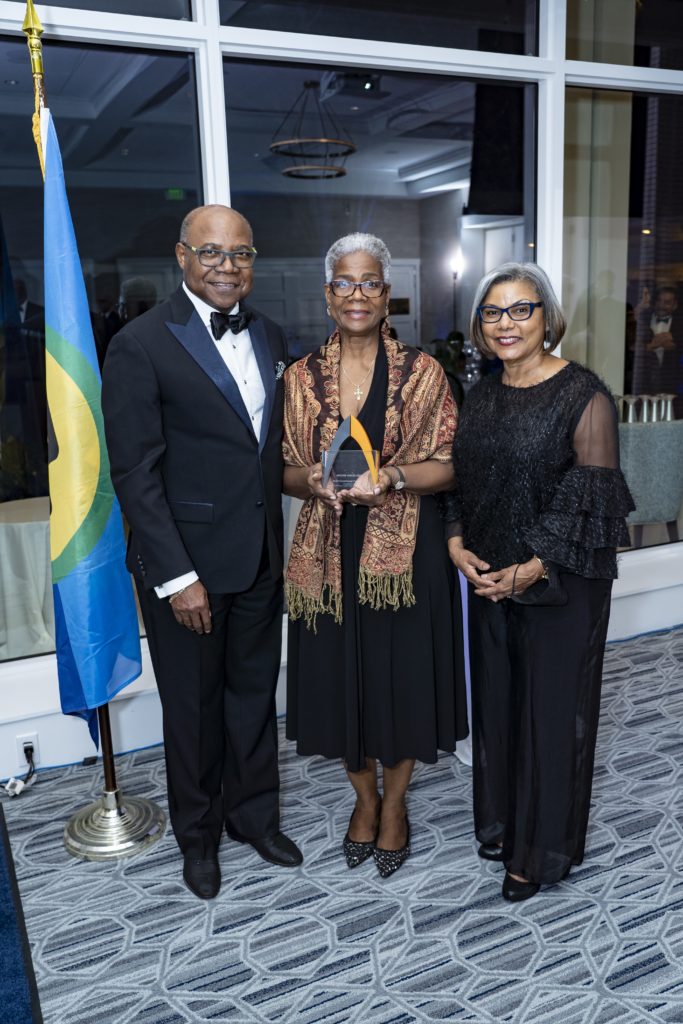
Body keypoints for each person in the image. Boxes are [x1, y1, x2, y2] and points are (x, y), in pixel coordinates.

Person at [102, 204, 302, 900]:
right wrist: (177, 577)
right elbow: (135, 473)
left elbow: (265, 448)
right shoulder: (140, 343)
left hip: (259, 557)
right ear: (182, 256)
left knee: (253, 698)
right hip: (187, 566)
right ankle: (199, 836)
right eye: (211, 252)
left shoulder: (270, 333)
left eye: (240, 253)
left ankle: (254, 818)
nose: (227, 266)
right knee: (192, 709)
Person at [440, 261, 634, 902]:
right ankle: (506, 824)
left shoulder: (584, 394)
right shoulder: (482, 394)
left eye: (522, 309)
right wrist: (456, 541)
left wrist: (534, 566)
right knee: (500, 707)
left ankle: (541, 850)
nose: (507, 323)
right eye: (493, 312)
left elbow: (590, 497)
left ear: (547, 317)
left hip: (560, 582)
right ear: (479, 324)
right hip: (491, 578)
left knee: (551, 715)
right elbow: (460, 478)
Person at [283, 233, 467, 878]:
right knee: (343, 681)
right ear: (327, 295)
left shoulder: (424, 373)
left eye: (369, 283)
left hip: (406, 554)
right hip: (327, 552)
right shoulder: (300, 377)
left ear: (387, 296)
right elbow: (283, 470)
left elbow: (449, 464)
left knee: (401, 680)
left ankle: (396, 805)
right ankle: (364, 800)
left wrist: (391, 477)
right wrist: (309, 481)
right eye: (344, 282)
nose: (356, 294)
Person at [633, 284, 683, 416]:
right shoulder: (643, 321)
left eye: (667, 302)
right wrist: (651, 346)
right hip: (643, 385)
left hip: (671, 386)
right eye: (659, 301)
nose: (661, 305)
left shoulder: (680, 326)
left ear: (675, 305)